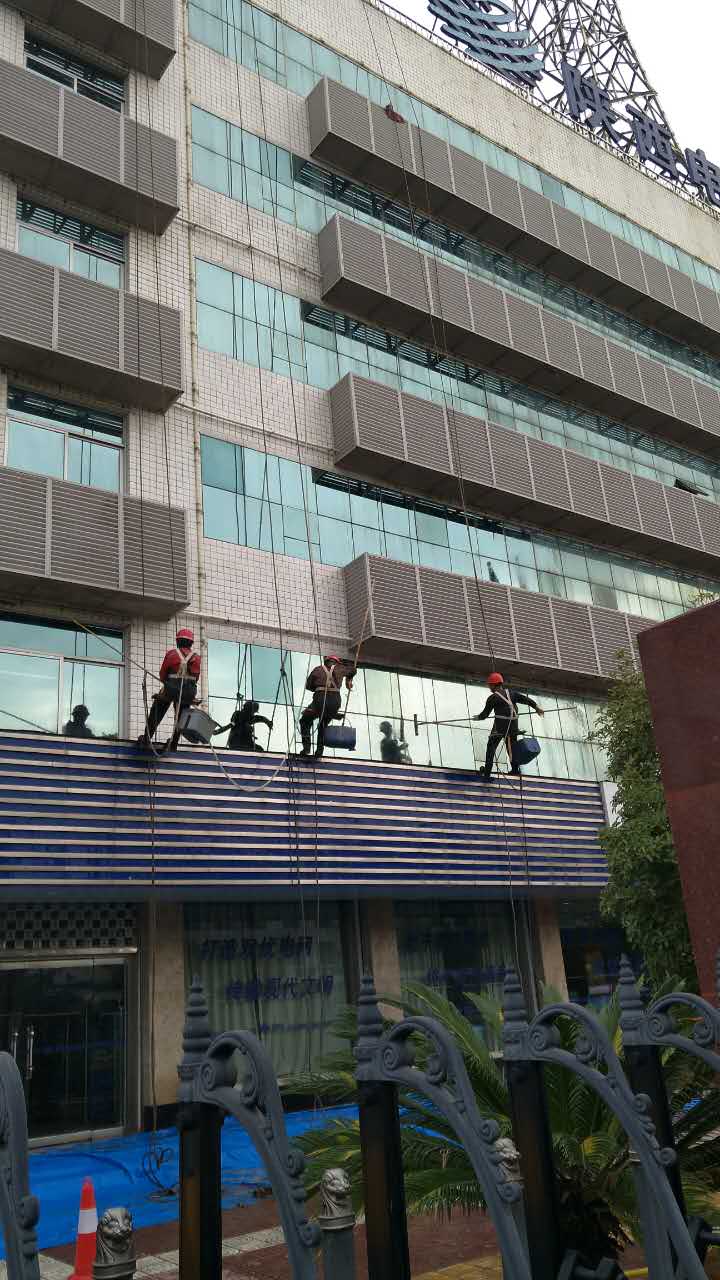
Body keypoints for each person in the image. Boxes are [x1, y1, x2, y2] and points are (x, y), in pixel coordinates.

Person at [140, 628, 201, 752]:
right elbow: (196, 677)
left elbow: (162, 674)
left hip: (172, 688)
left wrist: (168, 683)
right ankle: (174, 743)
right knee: (181, 716)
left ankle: (147, 738)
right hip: (188, 692)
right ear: (191, 643)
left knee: (158, 708)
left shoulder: (172, 654)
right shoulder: (196, 658)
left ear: (178, 641)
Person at [474, 672, 543, 781]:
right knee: (511, 748)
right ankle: (515, 769)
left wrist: (477, 717)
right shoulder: (512, 694)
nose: (489, 687)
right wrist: (537, 708)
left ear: (494, 685)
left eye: (490, 685)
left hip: (500, 729)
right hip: (512, 728)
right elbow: (526, 700)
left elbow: (484, 715)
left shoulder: (493, 698)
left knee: (491, 748)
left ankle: (487, 774)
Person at [299, 654, 355, 758]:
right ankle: (319, 751)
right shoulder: (341, 668)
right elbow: (353, 670)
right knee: (323, 725)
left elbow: (309, 686)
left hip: (320, 700)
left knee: (305, 720)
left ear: (326, 661)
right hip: (335, 701)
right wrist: (348, 679)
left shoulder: (318, 669)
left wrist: (320, 686)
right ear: (337, 662)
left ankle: (306, 748)